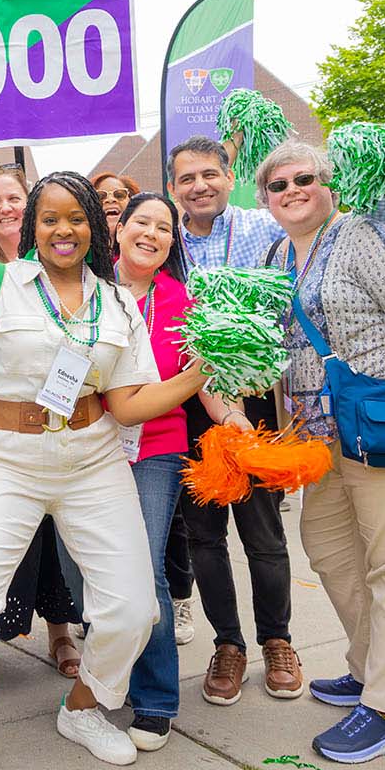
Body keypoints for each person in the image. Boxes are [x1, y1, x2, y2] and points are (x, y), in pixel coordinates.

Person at [0, 172, 211, 770]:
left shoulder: (119, 300)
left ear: (96, 226)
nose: (62, 230)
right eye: (48, 218)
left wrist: (199, 373)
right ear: (31, 227)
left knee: (132, 608)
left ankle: (82, 709)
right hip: (5, 458)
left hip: (93, 457)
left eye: (75, 217)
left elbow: (128, 404)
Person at [258, 141, 385, 764]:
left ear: (329, 185)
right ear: (264, 198)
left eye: (305, 179)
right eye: (278, 184)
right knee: (328, 548)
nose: (292, 190)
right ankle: (373, 667)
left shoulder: (364, 237)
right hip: (321, 439)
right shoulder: (276, 253)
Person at [166, 135, 302, 707]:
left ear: (227, 175)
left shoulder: (264, 229)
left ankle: (277, 641)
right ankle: (228, 645)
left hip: (255, 399)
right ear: (174, 189)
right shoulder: (164, 240)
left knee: (264, 534)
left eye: (208, 174)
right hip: (187, 402)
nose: (199, 186)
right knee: (204, 537)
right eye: (186, 179)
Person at [113, 192, 245, 752]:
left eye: (163, 228)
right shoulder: (87, 290)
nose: (152, 234)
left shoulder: (182, 301)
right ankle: (111, 667)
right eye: (141, 222)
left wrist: (232, 415)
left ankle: (156, 698)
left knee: (145, 570)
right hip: (85, 447)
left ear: (173, 242)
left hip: (156, 449)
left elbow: (206, 378)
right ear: (117, 228)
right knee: (88, 571)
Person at [0, 163, 85, 697]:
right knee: (0, 547)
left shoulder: (71, 268)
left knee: (57, 537)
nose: (6, 208)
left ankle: (61, 631)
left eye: (15, 198)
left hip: (66, 429)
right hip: (5, 429)